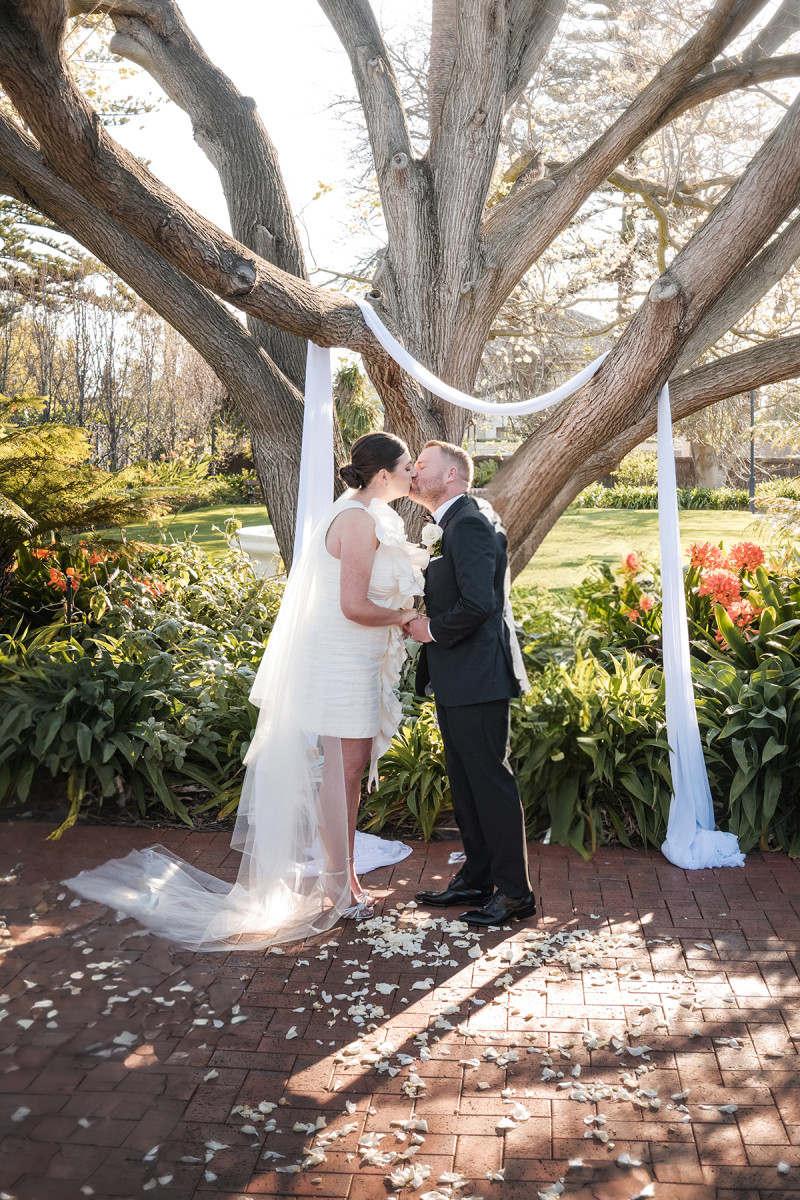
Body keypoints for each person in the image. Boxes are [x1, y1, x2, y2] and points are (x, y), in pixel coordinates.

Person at [64, 432, 426, 949]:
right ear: (384, 475)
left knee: (346, 769)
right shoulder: (356, 519)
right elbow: (353, 607)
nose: (413, 473)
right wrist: (408, 616)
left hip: (352, 658)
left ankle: (341, 878)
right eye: (408, 465)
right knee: (342, 771)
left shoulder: (355, 511)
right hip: (341, 659)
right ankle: (338, 884)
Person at [406, 441, 537, 927]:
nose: (413, 473)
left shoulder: (471, 524)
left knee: (490, 783)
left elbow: (480, 603)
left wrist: (430, 630)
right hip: (457, 675)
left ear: (452, 477)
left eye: (422, 467)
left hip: (479, 675)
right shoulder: (452, 524)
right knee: (465, 782)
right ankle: (478, 877)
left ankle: (515, 893)